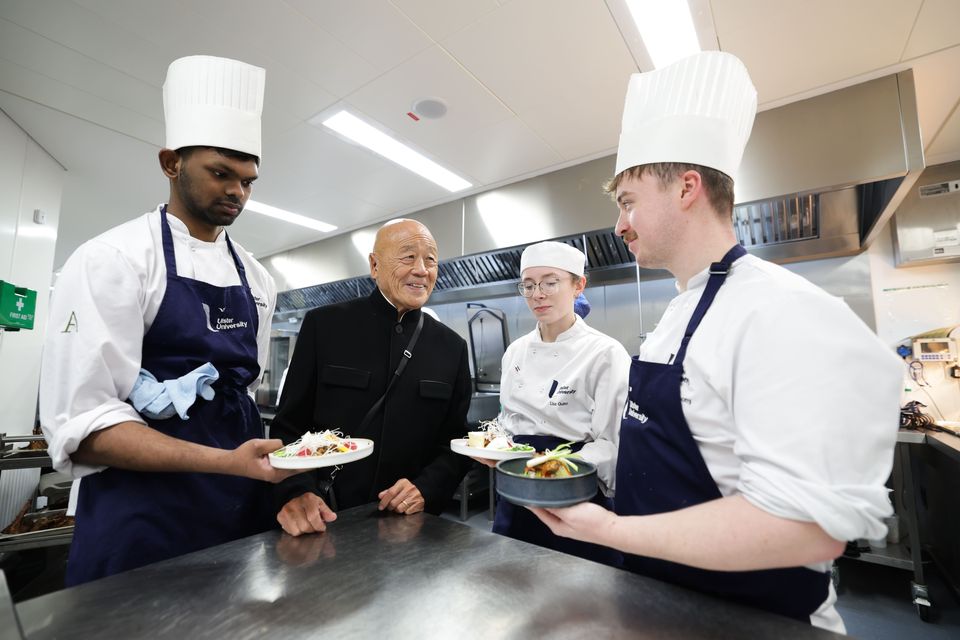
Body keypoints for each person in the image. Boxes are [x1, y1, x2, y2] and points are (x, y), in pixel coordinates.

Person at [530, 51, 902, 632]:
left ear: (686, 188)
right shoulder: (683, 309)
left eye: (628, 202)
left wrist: (610, 530)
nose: (620, 225)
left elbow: (804, 528)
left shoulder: (777, 310)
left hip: (756, 619)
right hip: (667, 605)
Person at [39, 55, 302, 585]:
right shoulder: (113, 259)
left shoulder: (256, 277)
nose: (237, 193)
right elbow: (83, 427)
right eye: (221, 174)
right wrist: (227, 461)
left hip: (237, 503)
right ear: (170, 163)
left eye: (248, 181)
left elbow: (241, 393)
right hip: (143, 514)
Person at [272, 219, 472, 536]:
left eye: (430, 259)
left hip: (406, 527)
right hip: (323, 516)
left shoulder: (452, 348)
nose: (422, 269)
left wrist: (425, 489)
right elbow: (288, 426)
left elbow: (455, 443)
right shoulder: (324, 327)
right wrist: (297, 491)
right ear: (375, 265)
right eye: (408, 256)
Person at [474, 241, 630, 564]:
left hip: (576, 492)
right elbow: (507, 423)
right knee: (512, 587)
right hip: (516, 494)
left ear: (578, 285)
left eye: (550, 282)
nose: (537, 294)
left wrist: (552, 467)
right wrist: (497, 447)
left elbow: (612, 443)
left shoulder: (605, 353)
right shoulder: (515, 352)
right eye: (528, 285)